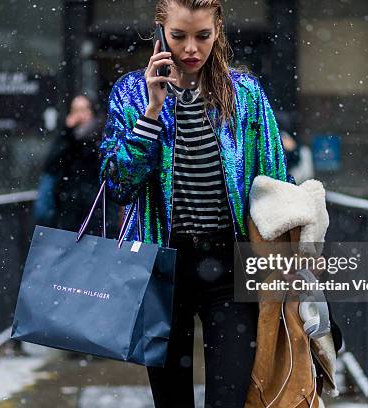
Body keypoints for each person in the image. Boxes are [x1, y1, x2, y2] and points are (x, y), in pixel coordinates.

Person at [99, 1, 291, 406]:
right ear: (160, 32)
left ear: (217, 30)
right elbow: (118, 185)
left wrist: (301, 279)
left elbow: (279, 189)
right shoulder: (132, 92)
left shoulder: (245, 95)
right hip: (160, 272)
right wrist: (151, 112)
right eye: (179, 36)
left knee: (231, 398)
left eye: (202, 36)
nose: (191, 49)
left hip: (228, 269)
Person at [34, 95, 102, 231]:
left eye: (83, 110)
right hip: (68, 202)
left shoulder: (100, 134)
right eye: (75, 110)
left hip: (94, 205)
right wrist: (67, 132)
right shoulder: (67, 136)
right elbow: (51, 164)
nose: (79, 115)